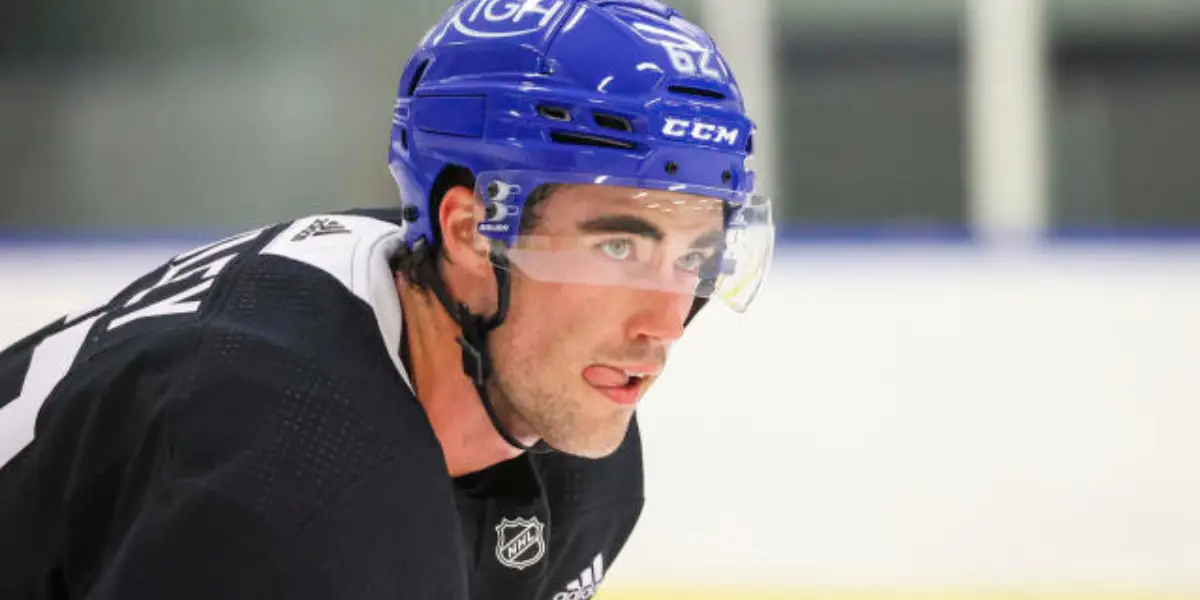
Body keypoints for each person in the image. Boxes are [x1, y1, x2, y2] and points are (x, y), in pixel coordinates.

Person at [0, 0, 774, 598]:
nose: (663, 324)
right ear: (470, 231)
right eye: (618, 248)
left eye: (696, 256)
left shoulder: (576, 458)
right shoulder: (286, 472)